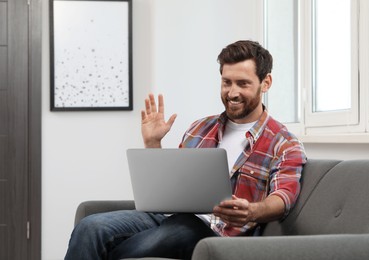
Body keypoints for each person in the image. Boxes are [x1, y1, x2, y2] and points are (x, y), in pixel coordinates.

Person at [65, 40, 306, 260]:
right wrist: (152, 144)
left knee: (179, 231)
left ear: (266, 83)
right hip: (165, 218)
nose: (232, 93)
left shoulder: (283, 143)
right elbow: (168, 190)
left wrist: (252, 210)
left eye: (242, 84)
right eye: (226, 82)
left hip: (216, 232)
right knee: (90, 226)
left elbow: (283, 198)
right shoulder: (199, 128)